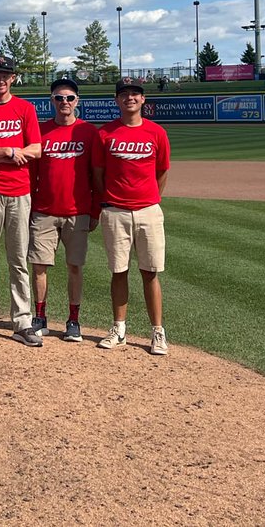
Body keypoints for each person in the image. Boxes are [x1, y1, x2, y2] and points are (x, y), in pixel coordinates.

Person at [93, 77, 171, 356]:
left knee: (150, 273)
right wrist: (110, 202)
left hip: (148, 210)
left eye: (135, 93)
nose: (130, 98)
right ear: (117, 100)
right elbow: (99, 174)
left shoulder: (156, 133)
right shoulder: (105, 133)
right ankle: (119, 328)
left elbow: (162, 171)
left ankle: (157, 332)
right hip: (115, 211)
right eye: (124, 93)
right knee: (118, 271)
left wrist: (149, 199)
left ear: (143, 99)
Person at [0, 55, 42, 346]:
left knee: (18, 259)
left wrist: (0, 152)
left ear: (13, 78)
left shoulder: (24, 108)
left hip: (19, 193)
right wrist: (11, 153)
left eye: (6, 75)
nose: (1, 79)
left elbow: (36, 149)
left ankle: (22, 320)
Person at [29, 77, 100, 343]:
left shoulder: (89, 132)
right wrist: (30, 208)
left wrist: (94, 211)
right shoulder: (40, 131)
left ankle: (73, 320)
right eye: (59, 98)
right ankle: (40, 316)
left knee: (74, 266)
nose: (64, 103)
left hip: (77, 211)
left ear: (77, 101)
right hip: (44, 210)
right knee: (39, 266)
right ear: (52, 101)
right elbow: (31, 174)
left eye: (69, 98)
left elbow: (96, 176)